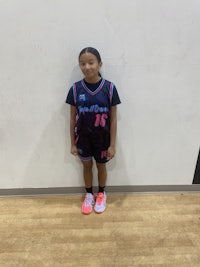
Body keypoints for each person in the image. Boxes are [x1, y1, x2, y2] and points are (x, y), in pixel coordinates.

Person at [66, 47, 121, 214]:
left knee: (101, 166)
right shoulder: (76, 89)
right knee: (87, 166)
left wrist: (112, 145)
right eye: (83, 63)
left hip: (102, 139)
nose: (87, 67)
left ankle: (102, 193)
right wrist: (72, 143)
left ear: (99, 64)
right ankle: (89, 194)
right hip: (83, 138)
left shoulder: (109, 88)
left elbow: (113, 120)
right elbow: (72, 119)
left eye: (91, 62)